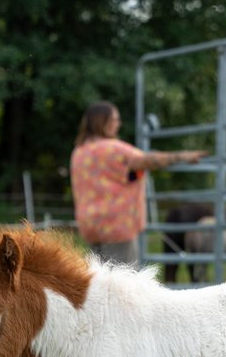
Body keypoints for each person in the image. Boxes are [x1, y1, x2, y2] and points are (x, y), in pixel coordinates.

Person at [70, 101, 206, 265]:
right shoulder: (113, 149)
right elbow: (146, 160)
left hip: (90, 226)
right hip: (117, 226)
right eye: (115, 119)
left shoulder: (79, 152)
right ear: (102, 121)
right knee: (123, 282)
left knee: (99, 280)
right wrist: (182, 156)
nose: (118, 124)